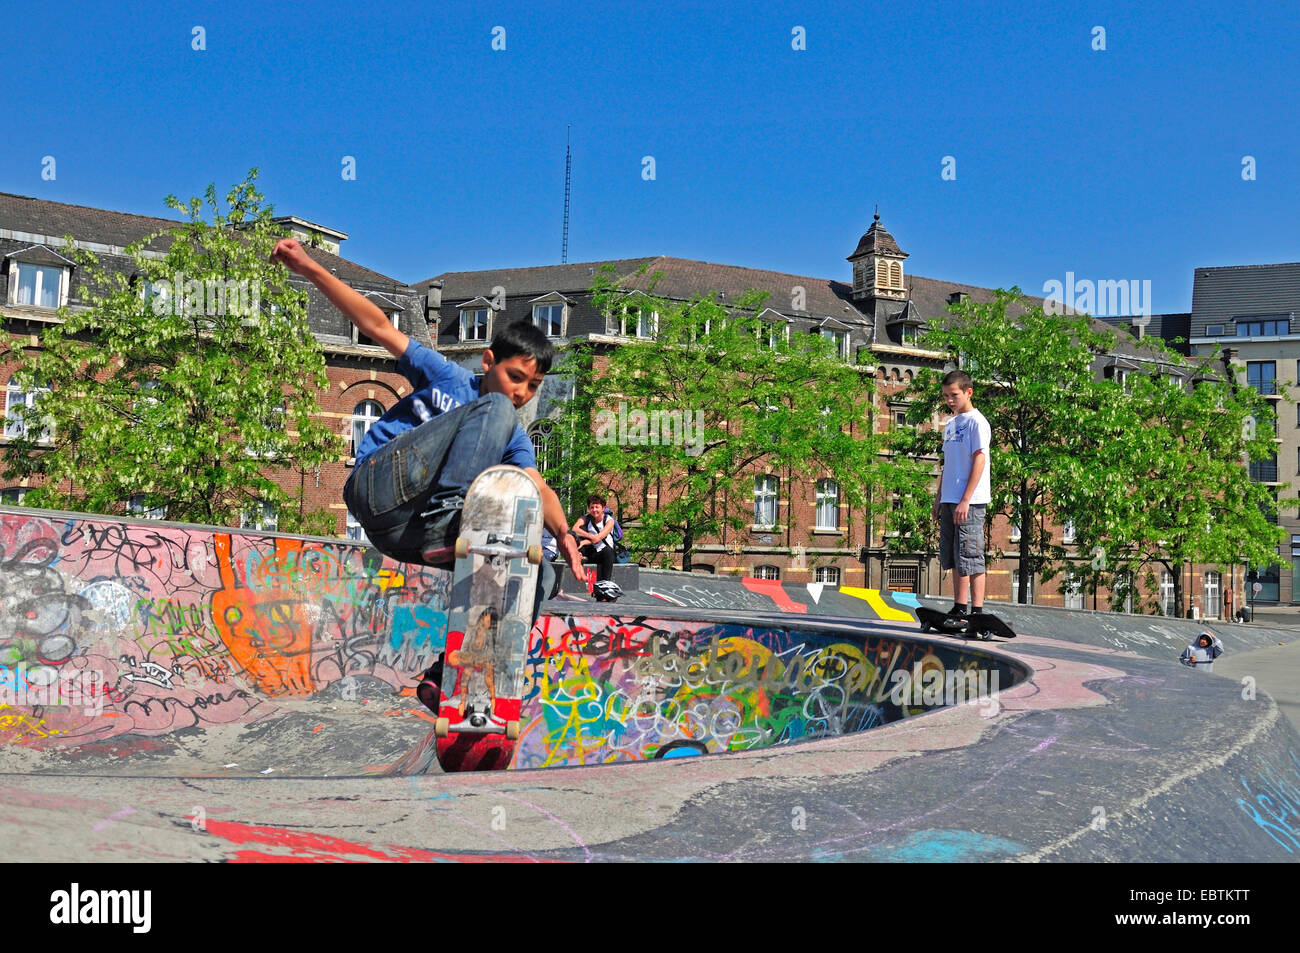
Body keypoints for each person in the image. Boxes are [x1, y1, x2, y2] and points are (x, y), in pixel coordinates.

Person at [930, 369, 991, 627]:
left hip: (971, 501)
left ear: (968, 392)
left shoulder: (978, 422)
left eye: (954, 395)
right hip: (949, 499)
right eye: (945, 396)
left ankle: (977, 611)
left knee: (972, 555)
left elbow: (979, 459)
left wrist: (966, 499)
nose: (949, 400)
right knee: (954, 557)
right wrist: (939, 497)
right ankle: (959, 607)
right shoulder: (951, 424)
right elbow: (948, 464)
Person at [571, 494, 616, 582]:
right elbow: (574, 529)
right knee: (577, 533)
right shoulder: (586, 518)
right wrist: (589, 537)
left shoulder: (609, 521)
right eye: (592, 507)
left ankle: (606, 582)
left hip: (605, 554)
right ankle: (580, 556)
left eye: (597, 507)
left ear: (603, 508)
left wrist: (583, 542)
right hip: (592, 552)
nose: (594, 510)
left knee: (608, 551)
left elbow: (597, 539)